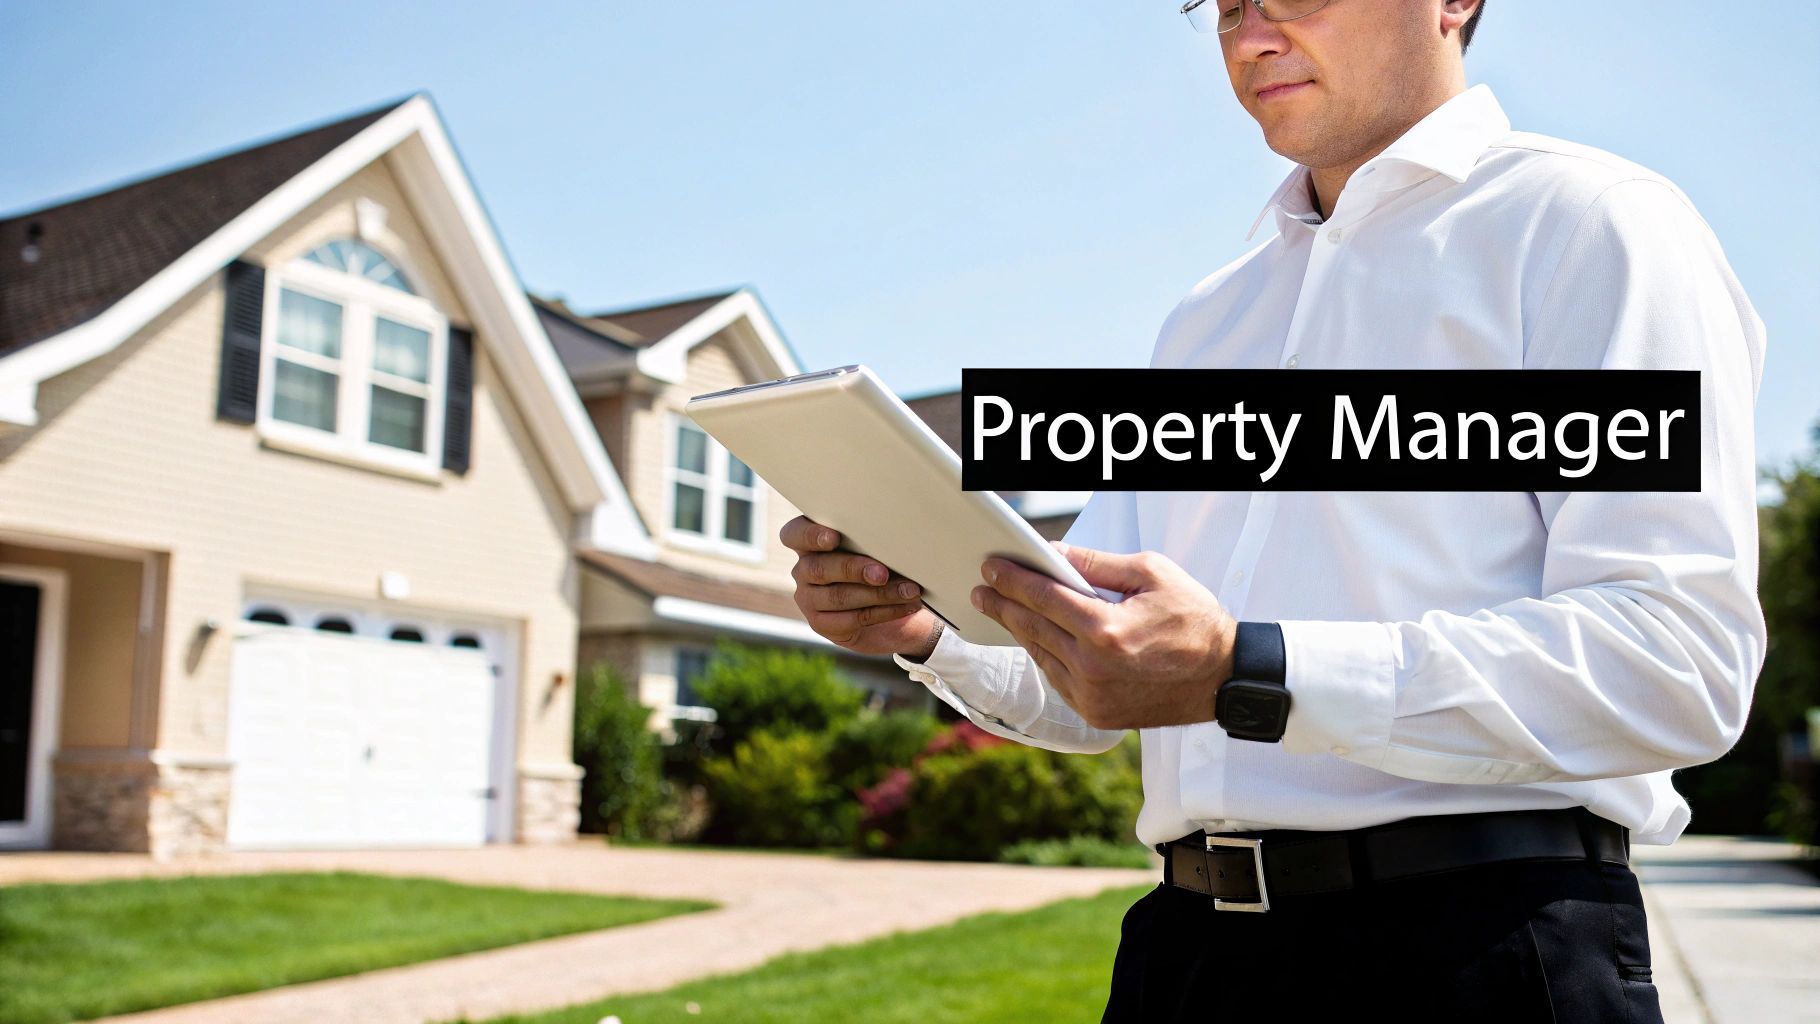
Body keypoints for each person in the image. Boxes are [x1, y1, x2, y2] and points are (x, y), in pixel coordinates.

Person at [781, 1, 1766, 1020]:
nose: (1249, 38)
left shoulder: (1591, 225)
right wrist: (926, 629)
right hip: (1187, 960)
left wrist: (1246, 669)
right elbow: (1097, 679)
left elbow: (1672, 660)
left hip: (1475, 954)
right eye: (1224, 6)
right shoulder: (1208, 321)